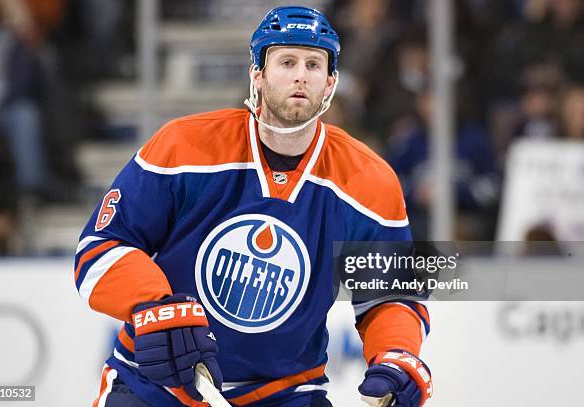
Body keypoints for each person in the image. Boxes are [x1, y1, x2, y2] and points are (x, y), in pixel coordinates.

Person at [74, 7, 432, 407]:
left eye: (314, 64)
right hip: (157, 383)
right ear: (257, 74)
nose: (301, 74)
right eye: (287, 61)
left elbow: (391, 295)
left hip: (285, 393)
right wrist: (156, 305)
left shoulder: (370, 181)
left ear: (330, 82)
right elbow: (99, 249)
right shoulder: (183, 146)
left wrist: (396, 353)